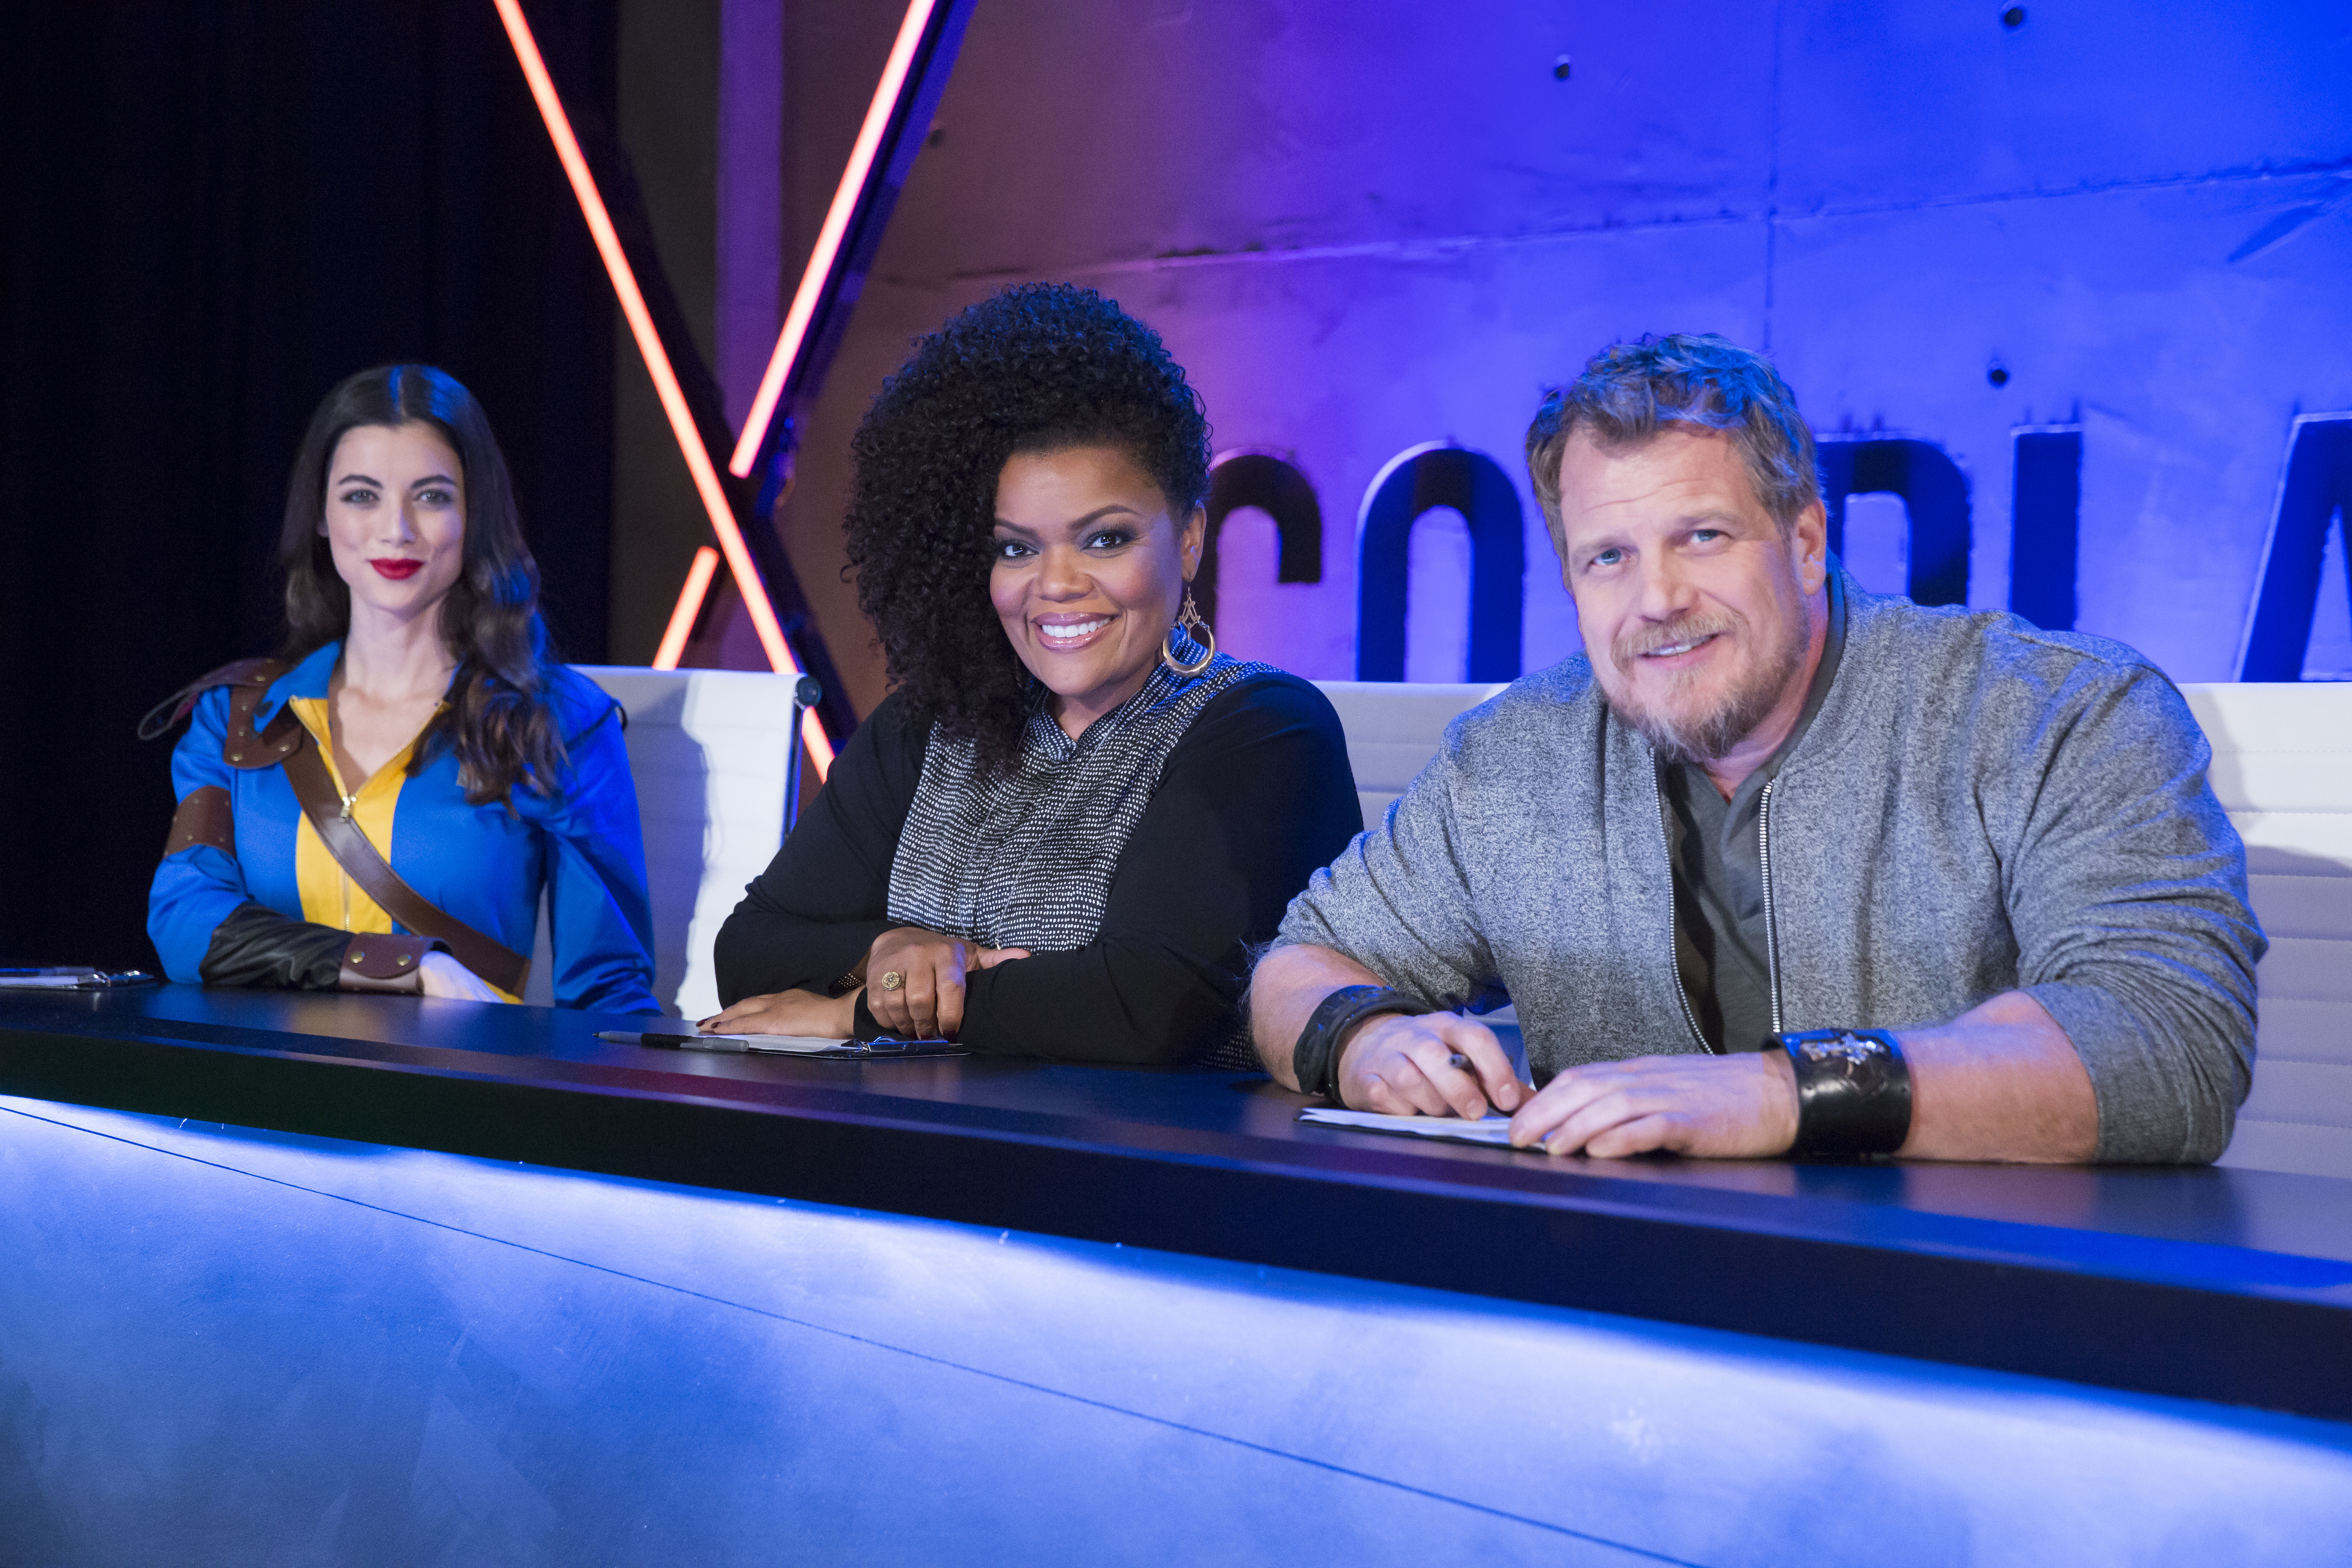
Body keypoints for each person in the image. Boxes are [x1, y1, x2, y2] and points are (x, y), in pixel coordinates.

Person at [1252, 333, 2264, 1164]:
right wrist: (1366, 1038)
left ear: (1809, 542)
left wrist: (1787, 1093)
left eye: (1703, 537)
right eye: (1610, 558)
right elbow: (1296, 965)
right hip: (1615, 1336)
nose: (1658, 601)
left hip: (1982, 1338)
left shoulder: (2060, 714)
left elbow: (2165, 1044)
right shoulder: (1513, 756)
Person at [709, 283, 1361, 1062]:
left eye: (1104, 540)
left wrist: (863, 1013)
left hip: (1147, 1175)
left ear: (1189, 538)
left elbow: (1140, 1007)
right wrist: (893, 950)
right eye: (1015, 548)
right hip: (903, 1160)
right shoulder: (928, 726)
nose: (1055, 585)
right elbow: (747, 950)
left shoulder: (1267, 730)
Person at [146, 364, 662, 1015]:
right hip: (255, 1098)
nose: (397, 530)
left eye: (432, 496)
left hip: (462, 1098)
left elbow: (608, 997)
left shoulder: (560, 723)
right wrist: (411, 968)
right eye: (362, 495)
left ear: (475, 515)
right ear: (322, 517)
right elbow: (185, 925)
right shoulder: (235, 718)